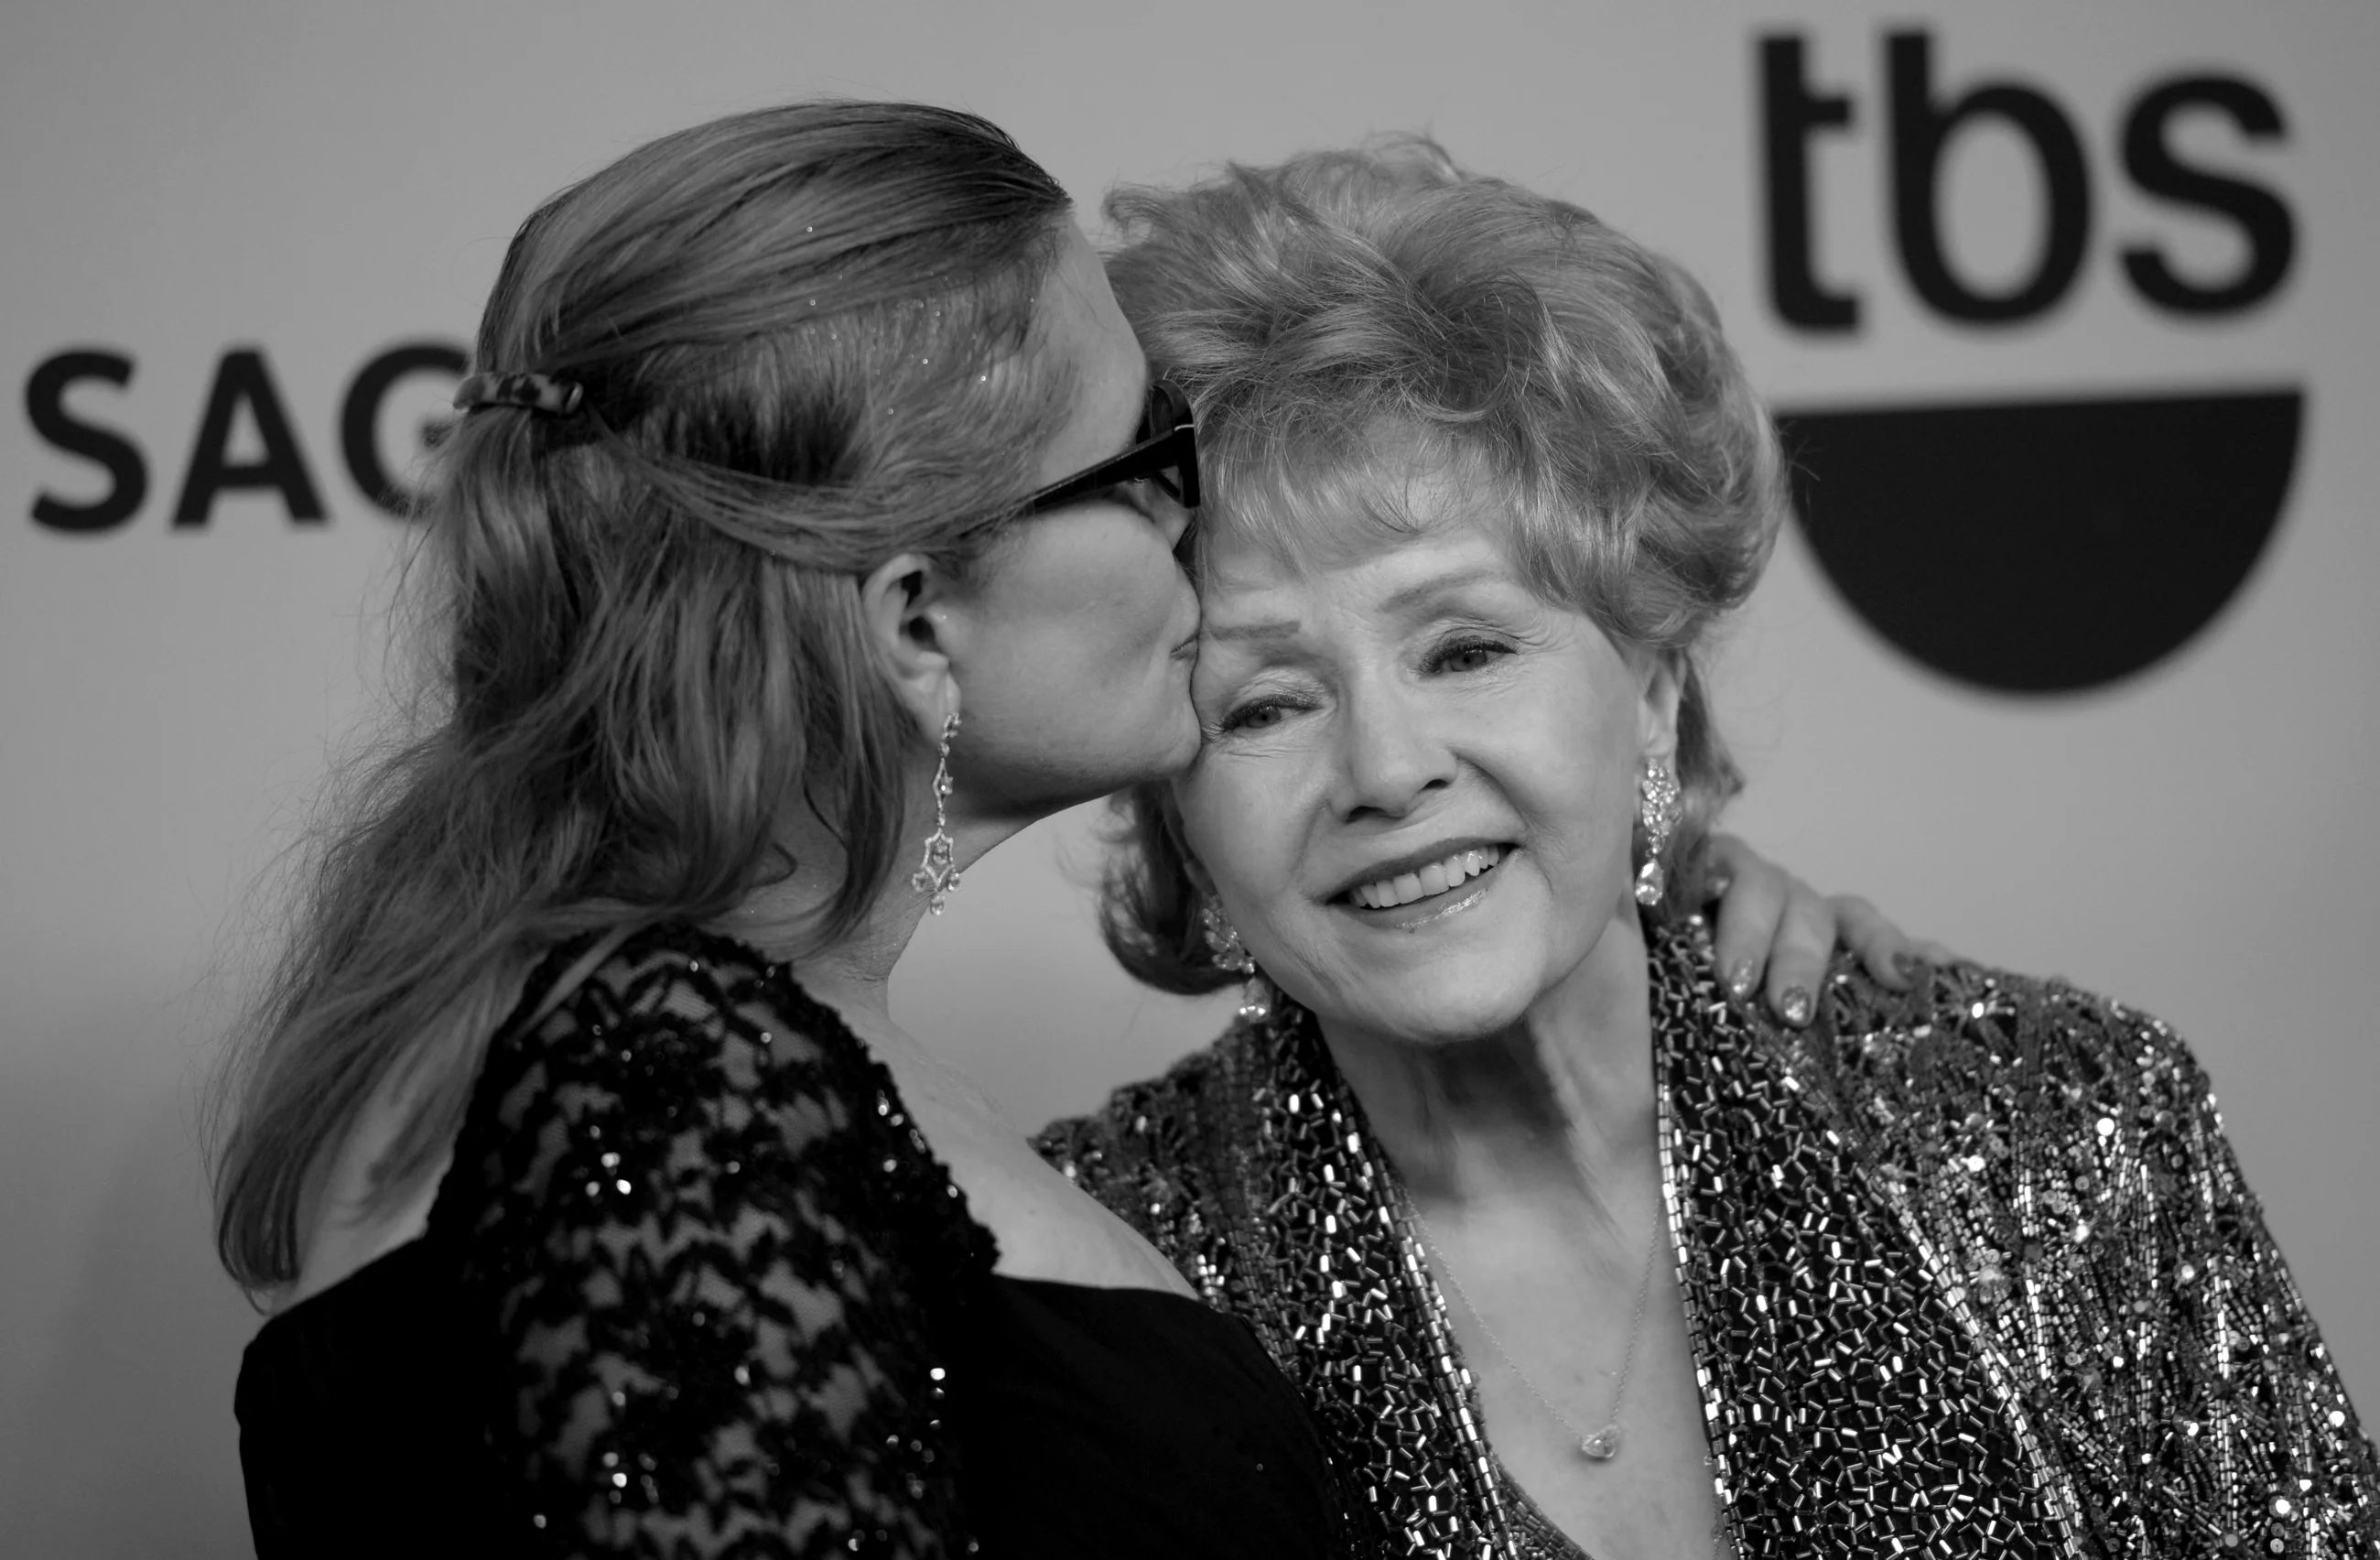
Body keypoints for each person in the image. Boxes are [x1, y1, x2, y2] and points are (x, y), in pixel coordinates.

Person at [210, 103, 1909, 1560]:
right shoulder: (660, 1075)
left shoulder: (686, 1048)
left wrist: (1647, 890)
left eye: (1469, 651)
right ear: (917, 625)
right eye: (1143, 458)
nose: (1190, 516)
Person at [1041, 137, 2380, 1560]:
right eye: (1263, 703)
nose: (1385, 770)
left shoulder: (2056, 1133)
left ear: (1658, 695)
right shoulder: (1091, 1292)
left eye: (1468, 647)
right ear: (1169, 800)